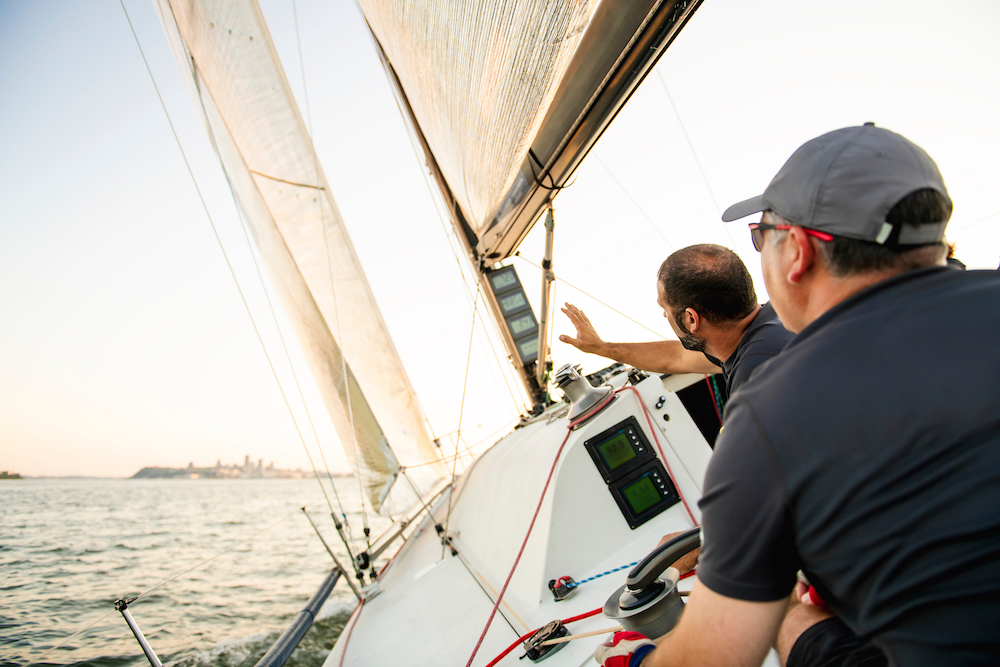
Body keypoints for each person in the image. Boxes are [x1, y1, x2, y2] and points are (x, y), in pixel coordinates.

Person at [596, 124, 1000, 667]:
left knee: (793, 618)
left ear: (799, 253)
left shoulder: (768, 416)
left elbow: (713, 657)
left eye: (762, 234)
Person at [560, 244, 793, 401]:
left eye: (666, 308)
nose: (665, 316)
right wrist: (601, 348)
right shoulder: (786, 319)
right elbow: (675, 357)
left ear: (691, 319)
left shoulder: (753, 383)